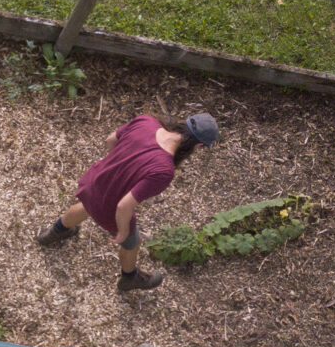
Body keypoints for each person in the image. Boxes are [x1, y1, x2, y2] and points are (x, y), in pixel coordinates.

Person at [36, 112, 218, 291]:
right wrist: (123, 231)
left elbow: (110, 140)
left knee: (87, 206)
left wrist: (116, 168)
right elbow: (124, 205)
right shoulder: (164, 170)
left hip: (94, 181)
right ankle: (129, 278)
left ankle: (54, 233)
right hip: (110, 206)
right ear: (199, 145)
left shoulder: (147, 122)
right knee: (132, 243)